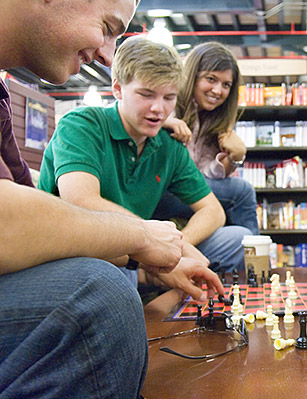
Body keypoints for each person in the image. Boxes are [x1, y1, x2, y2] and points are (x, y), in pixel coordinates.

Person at [0, 0, 212, 397]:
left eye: (168, 99)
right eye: (107, 26)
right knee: (102, 293)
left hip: (103, 258)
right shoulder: (84, 124)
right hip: (100, 265)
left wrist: (153, 256)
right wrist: (148, 241)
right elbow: (61, 208)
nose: (106, 52)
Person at [38, 37, 247, 299]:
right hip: (73, 253)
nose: (159, 109)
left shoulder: (168, 145)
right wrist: (155, 246)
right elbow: (81, 201)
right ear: (117, 88)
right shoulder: (81, 125)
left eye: (169, 97)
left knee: (238, 238)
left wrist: (176, 246)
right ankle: (149, 281)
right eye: (146, 94)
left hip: (131, 250)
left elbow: (213, 211)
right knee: (115, 279)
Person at [155, 41, 259, 234]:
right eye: (211, 79)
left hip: (186, 188)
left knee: (235, 223)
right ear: (192, 76)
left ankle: (238, 247)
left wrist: (235, 158)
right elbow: (136, 115)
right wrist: (165, 121)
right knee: (242, 192)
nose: (218, 91)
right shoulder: (171, 100)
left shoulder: (213, 121)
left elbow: (205, 176)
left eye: (226, 85)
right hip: (159, 188)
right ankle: (254, 256)